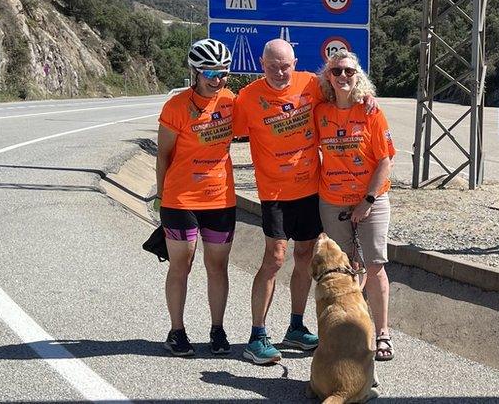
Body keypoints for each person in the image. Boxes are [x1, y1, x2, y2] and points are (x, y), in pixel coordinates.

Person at [233, 39, 376, 365]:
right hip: (275, 194)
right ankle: (257, 335)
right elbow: (222, 129)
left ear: (295, 62)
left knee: (304, 257)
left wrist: (366, 98)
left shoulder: (311, 85)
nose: (280, 72)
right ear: (261, 63)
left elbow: (345, 94)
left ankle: (295, 326)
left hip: (312, 190)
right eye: (272, 66)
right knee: (274, 258)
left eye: (285, 66)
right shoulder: (248, 98)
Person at [155, 38, 236, 357]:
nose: (217, 80)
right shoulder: (175, 106)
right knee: (181, 265)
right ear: (195, 72)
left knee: (218, 267)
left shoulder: (230, 100)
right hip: (180, 200)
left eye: (223, 73)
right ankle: (177, 331)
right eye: (210, 73)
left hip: (220, 199)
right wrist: (161, 195)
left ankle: (217, 330)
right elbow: (163, 155)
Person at [315, 50, 396, 362]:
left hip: (371, 200)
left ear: (357, 74)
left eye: (349, 71)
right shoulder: (319, 111)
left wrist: (367, 201)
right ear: (329, 78)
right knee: (345, 267)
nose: (343, 76)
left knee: (374, 266)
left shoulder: (371, 112)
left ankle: (382, 333)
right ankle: (351, 330)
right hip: (332, 199)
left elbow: (385, 161)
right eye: (336, 72)